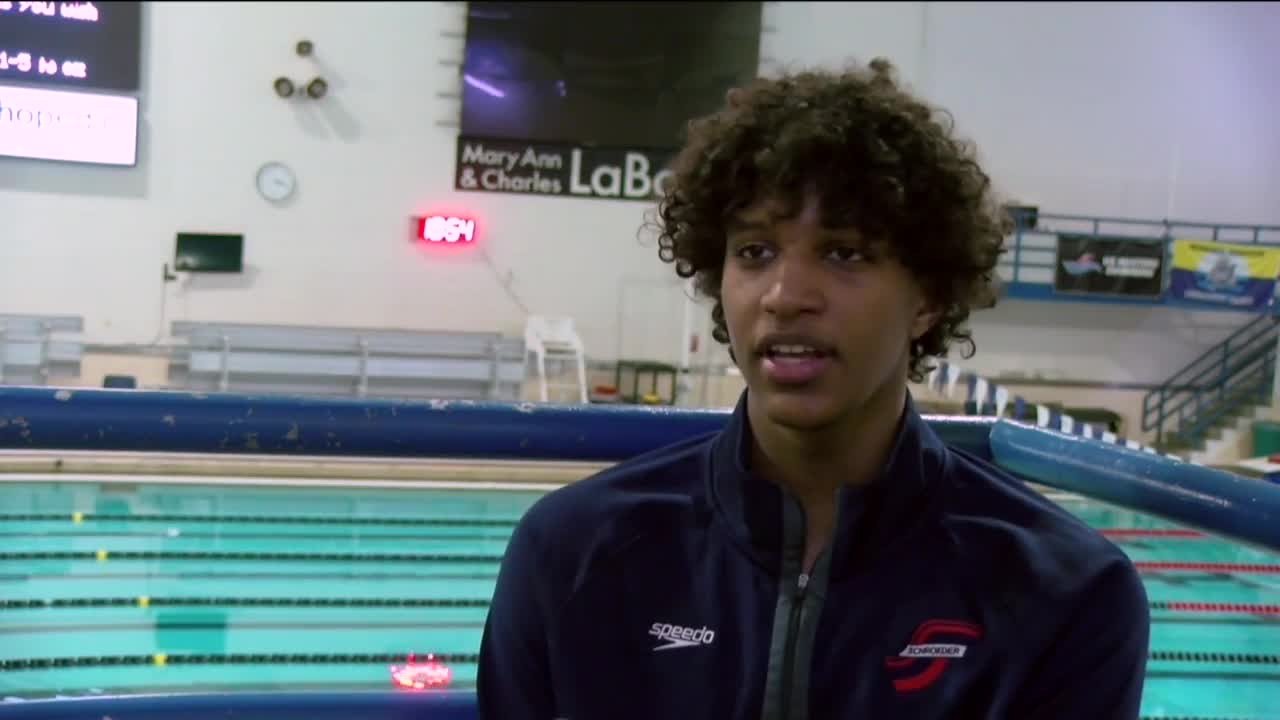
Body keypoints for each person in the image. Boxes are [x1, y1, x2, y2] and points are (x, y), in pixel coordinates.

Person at [477, 58, 1150, 720]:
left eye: (844, 253)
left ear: (927, 297)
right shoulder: (571, 553)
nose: (784, 295)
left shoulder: (1065, 595)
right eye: (755, 252)